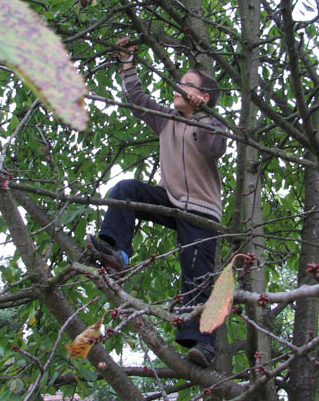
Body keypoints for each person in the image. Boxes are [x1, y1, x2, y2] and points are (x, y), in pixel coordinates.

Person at [88, 37, 227, 368]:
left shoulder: (213, 124)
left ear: (202, 97)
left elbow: (215, 148)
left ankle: (204, 345)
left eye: (186, 86)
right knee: (126, 189)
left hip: (201, 211)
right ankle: (116, 253)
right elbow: (136, 98)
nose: (177, 89)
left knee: (197, 275)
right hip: (170, 198)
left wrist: (203, 114)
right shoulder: (167, 119)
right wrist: (127, 62)